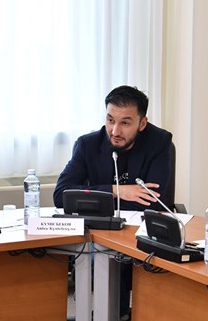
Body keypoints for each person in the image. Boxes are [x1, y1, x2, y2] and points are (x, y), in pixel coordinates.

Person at [54, 85, 173, 320]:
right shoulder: (88, 144)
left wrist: (95, 199)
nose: (115, 131)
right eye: (110, 120)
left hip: (139, 231)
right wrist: (118, 191)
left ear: (142, 123)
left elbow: (153, 202)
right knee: (100, 258)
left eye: (125, 123)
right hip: (100, 232)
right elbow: (61, 194)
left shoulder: (159, 142)